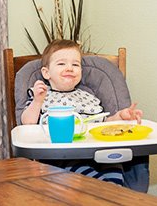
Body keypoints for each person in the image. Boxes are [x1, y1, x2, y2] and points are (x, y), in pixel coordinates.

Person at [20, 39, 143, 186]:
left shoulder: (87, 97)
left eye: (75, 64)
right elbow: (27, 122)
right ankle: (109, 192)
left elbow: (102, 123)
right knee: (90, 178)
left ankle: (112, 193)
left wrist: (121, 116)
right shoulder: (40, 96)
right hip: (63, 157)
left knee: (114, 159)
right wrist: (37, 101)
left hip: (97, 151)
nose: (70, 68)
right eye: (61, 64)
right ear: (46, 73)